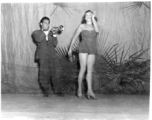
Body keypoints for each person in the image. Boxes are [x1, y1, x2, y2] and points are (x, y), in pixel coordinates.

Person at [68, 10, 99, 100]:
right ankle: (79, 89)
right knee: (82, 69)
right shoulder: (81, 26)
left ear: (92, 16)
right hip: (83, 48)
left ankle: (90, 91)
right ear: (85, 17)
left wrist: (93, 18)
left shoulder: (95, 26)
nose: (88, 16)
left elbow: (97, 31)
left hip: (92, 48)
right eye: (86, 15)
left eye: (90, 15)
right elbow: (74, 37)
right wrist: (70, 48)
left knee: (90, 71)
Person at [32, 16, 64, 97]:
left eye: (48, 23)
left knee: (56, 73)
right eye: (45, 23)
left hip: (53, 55)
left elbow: (54, 44)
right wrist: (48, 31)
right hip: (42, 56)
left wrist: (54, 34)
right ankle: (46, 91)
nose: (47, 24)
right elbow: (39, 39)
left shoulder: (51, 33)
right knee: (44, 74)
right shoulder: (36, 32)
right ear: (41, 24)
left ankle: (58, 91)